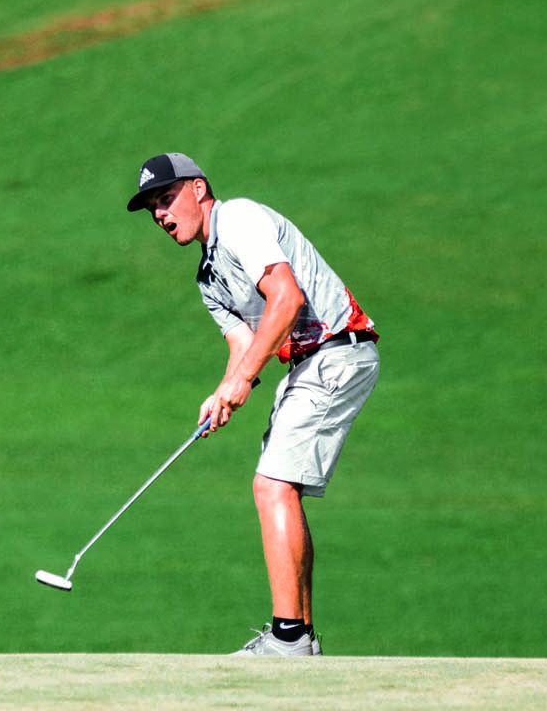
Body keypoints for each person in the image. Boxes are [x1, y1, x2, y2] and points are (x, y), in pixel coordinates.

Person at [127, 152, 380, 656]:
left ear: (198, 189)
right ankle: (299, 637)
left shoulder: (239, 218)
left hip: (336, 352)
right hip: (307, 368)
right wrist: (223, 392)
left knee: (272, 484)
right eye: (153, 208)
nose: (160, 214)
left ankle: (289, 637)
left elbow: (284, 299)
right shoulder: (208, 277)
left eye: (166, 198)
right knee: (279, 487)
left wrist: (242, 380)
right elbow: (244, 347)